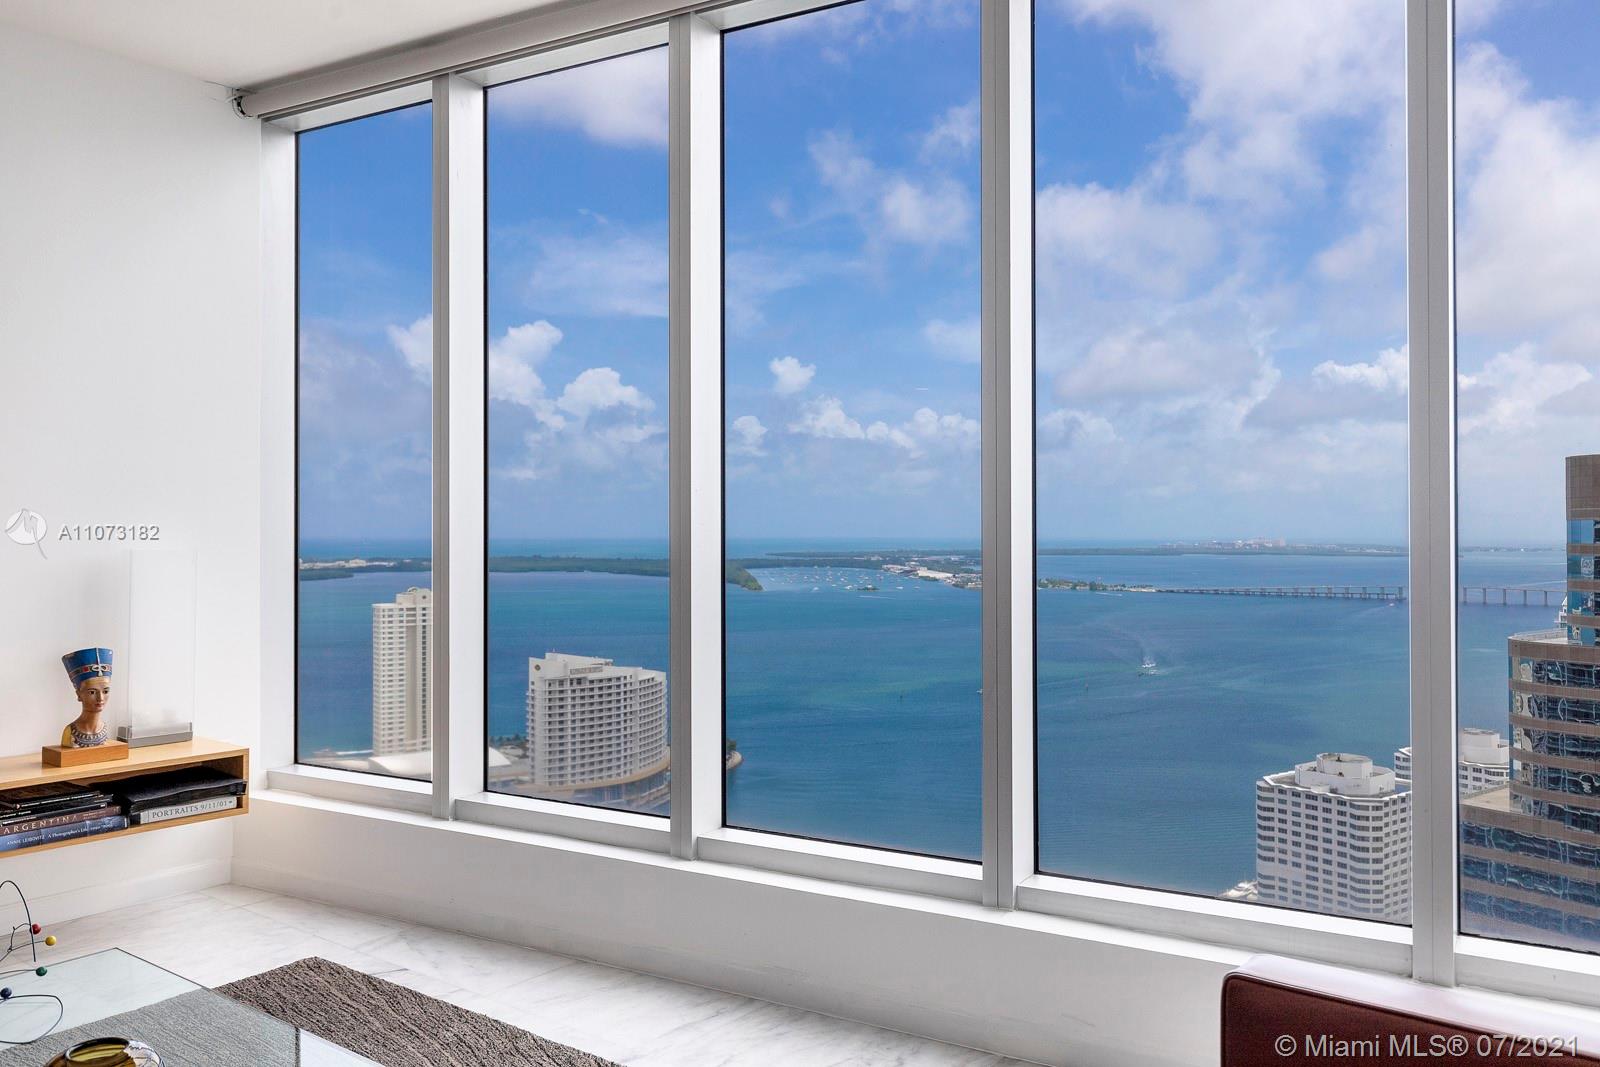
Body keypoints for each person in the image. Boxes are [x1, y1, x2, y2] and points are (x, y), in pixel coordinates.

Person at [59, 648, 113, 748]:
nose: (100, 698)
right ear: (79, 695)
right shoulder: (70, 732)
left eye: (105, 691)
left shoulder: (104, 729)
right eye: (92, 692)